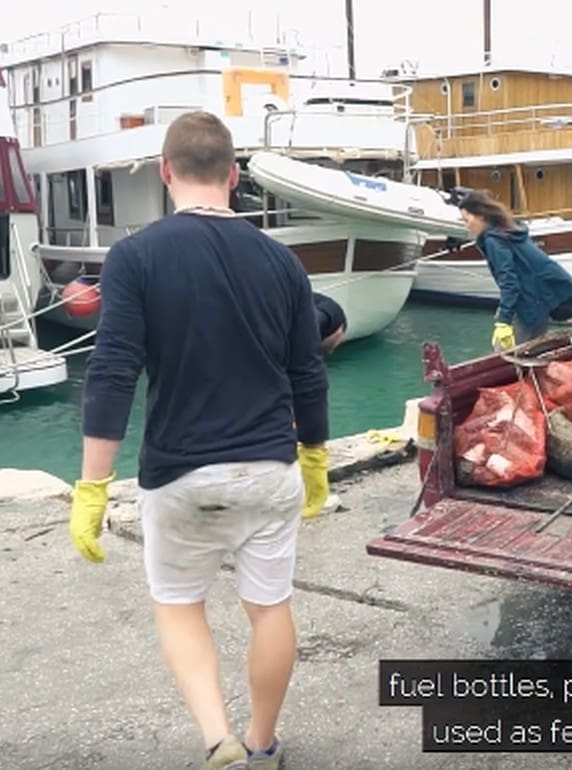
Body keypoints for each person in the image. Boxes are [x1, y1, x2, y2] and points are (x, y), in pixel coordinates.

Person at [68, 111, 330, 770]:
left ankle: (220, 741)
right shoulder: (282, 261)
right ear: (234, 177)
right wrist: (315, 456)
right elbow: (307, 372)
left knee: (180, 607)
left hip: (180, 476)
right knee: (269, 610)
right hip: (270, 470)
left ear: (164, 173)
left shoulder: (135, 256)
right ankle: (265, 743)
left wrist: (93, 485)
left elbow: (114, 370)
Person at [457, 189, 572, 350]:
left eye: (467, 220)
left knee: (503, 353)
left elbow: (509, 281)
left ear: (480, 216)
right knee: (533, 351)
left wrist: (504, 321)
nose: (467, 226)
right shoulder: (507, 231)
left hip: (530, 303)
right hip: (540, 300)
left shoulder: (494, 241)